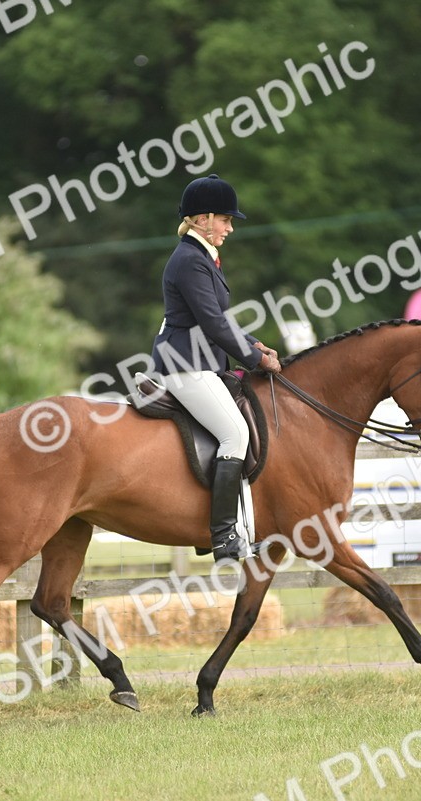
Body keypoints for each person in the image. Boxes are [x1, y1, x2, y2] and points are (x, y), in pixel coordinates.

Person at [150, 174, 281, 561]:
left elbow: (221, 318)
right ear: (202, 219)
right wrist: (256, 361)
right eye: (225, 220)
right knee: (234, 434)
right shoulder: (190, 260)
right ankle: (222, 537)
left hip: (200, 362)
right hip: (185, 366)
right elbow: (213, 324)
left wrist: (254, 342)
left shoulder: (201, 258)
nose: (230, 228)